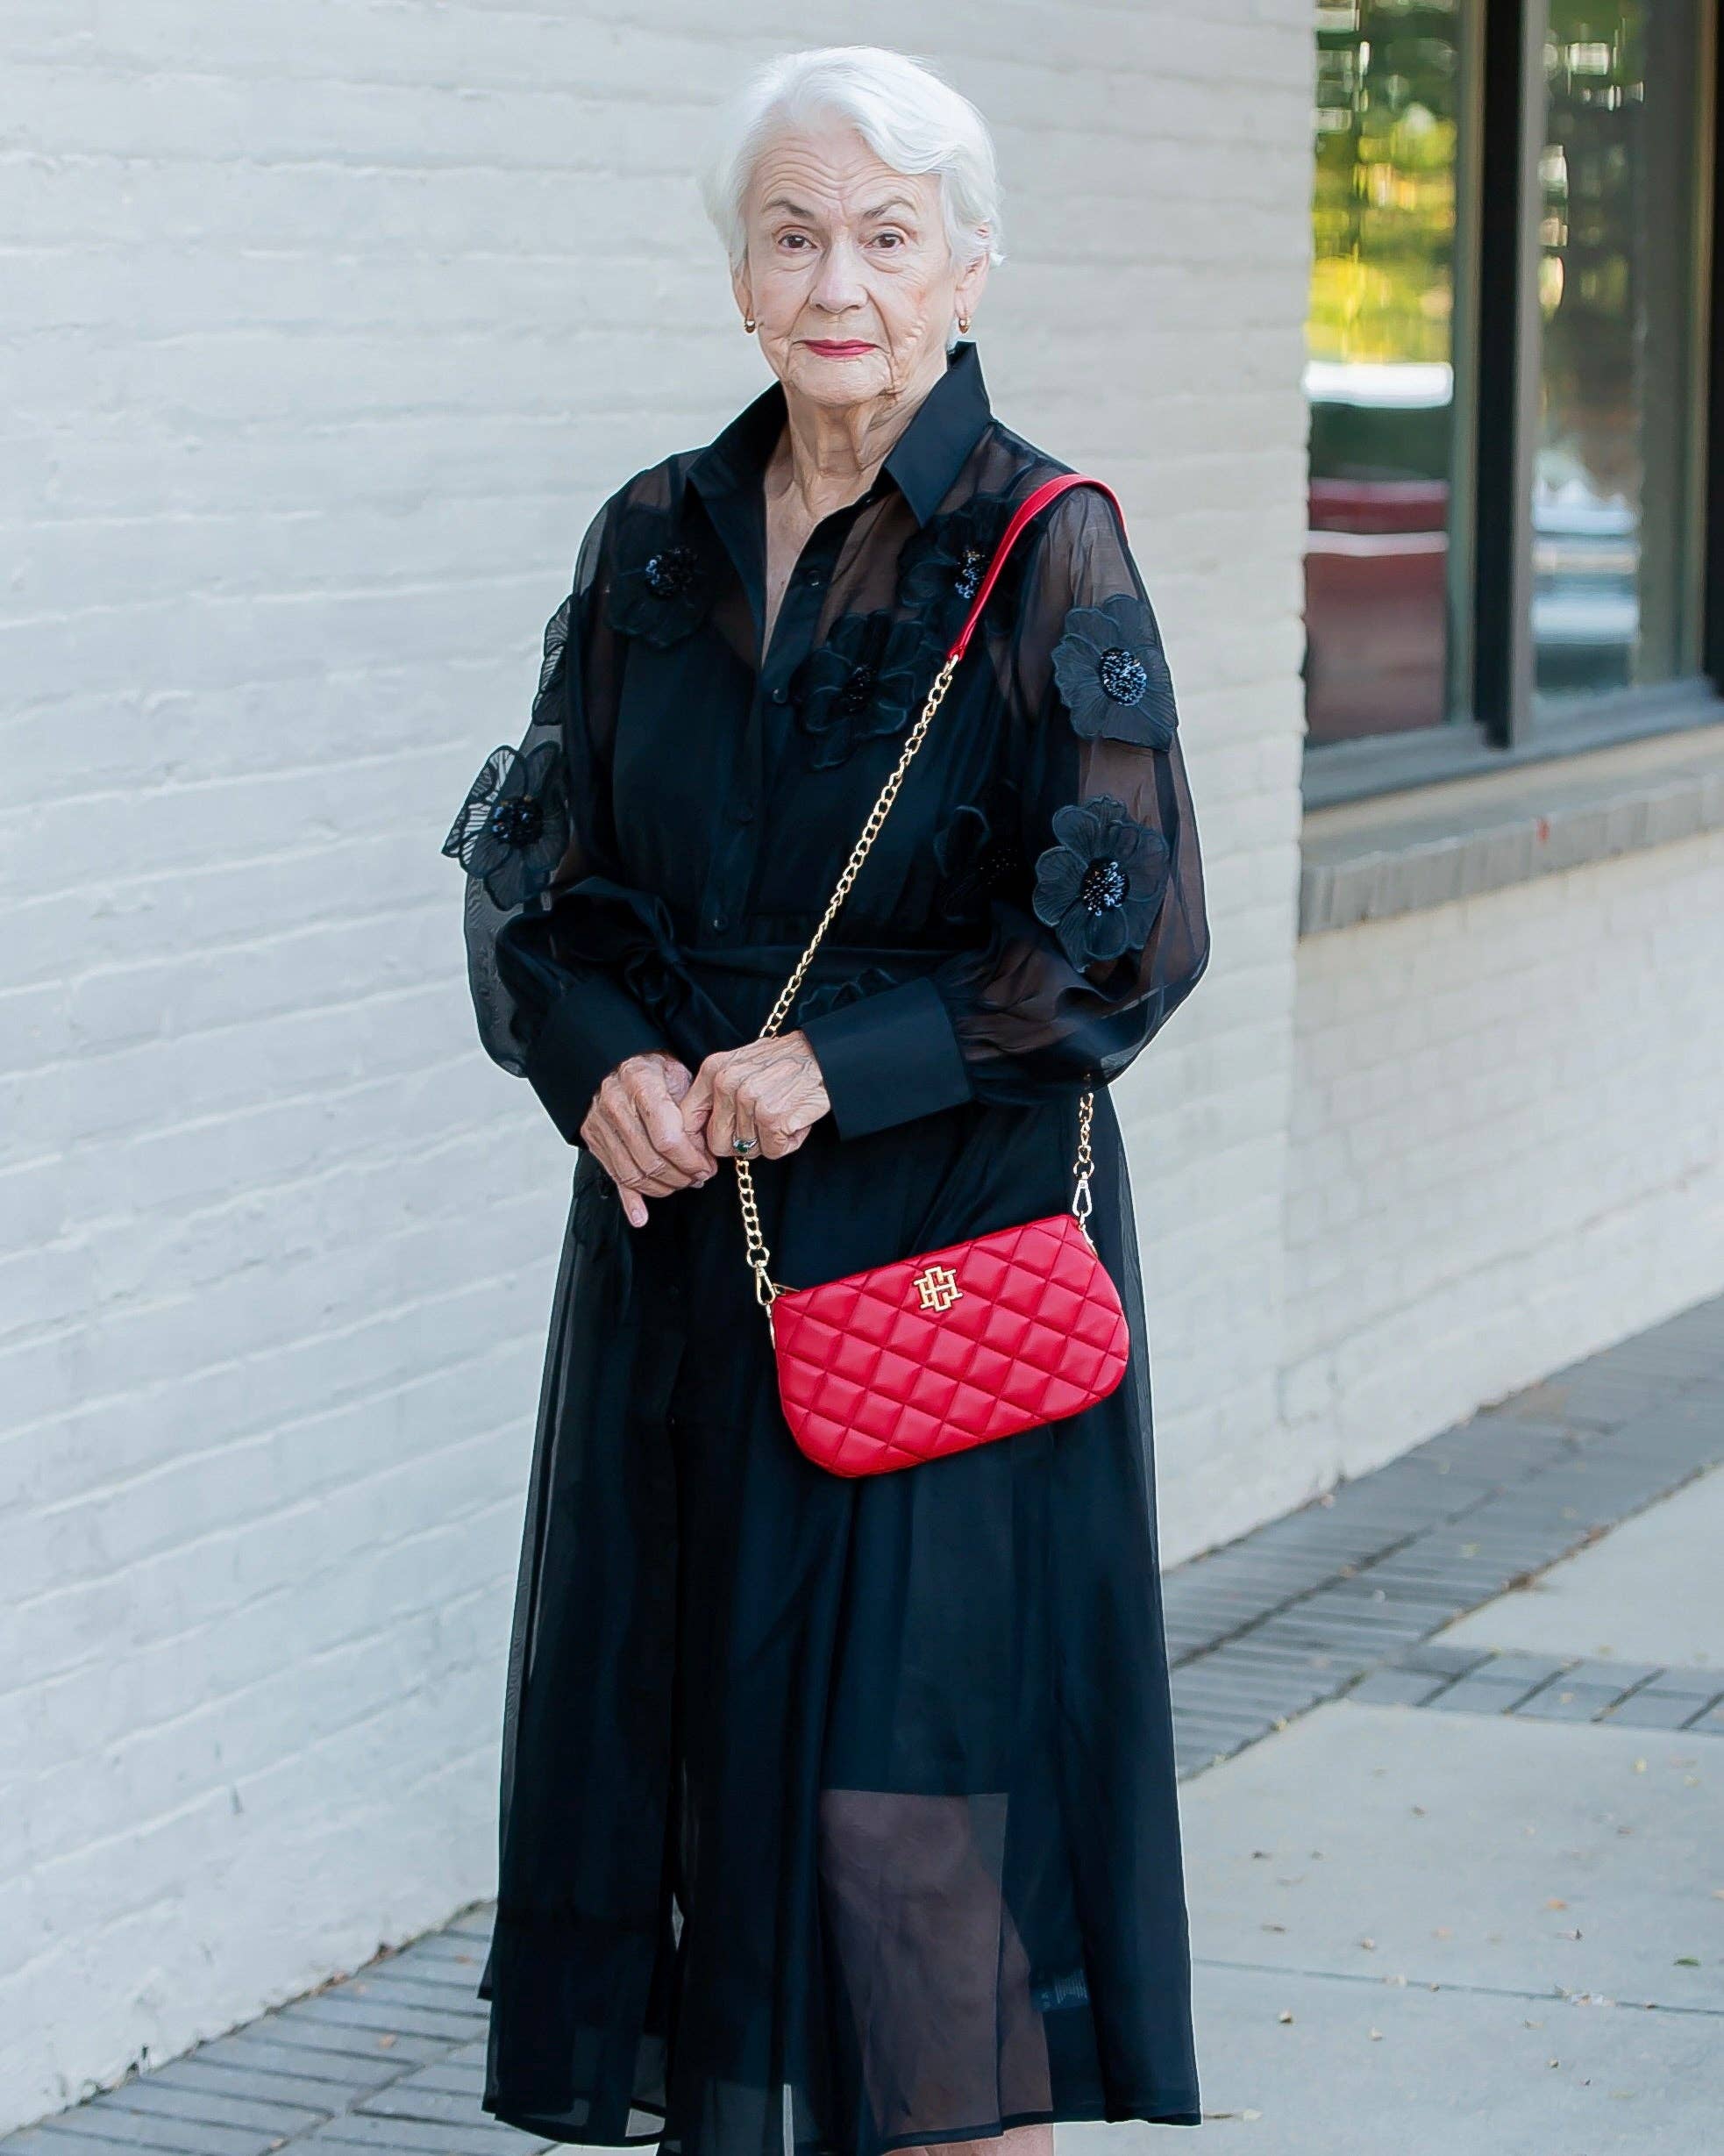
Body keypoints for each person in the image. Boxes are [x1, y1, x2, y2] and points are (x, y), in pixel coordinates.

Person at [443, 43, 1211, 2156]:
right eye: (791, 233)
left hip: (938, 1282)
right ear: (738, 279)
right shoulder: (652, 537)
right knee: (701, 1800)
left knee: (913, 1850)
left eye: (885, 233)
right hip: (690, 1274)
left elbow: (1131, 936)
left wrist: (827, 1064)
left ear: (968, 268)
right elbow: (541, 873)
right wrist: (597, 1062)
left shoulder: (1042, 543)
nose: (836, 276)